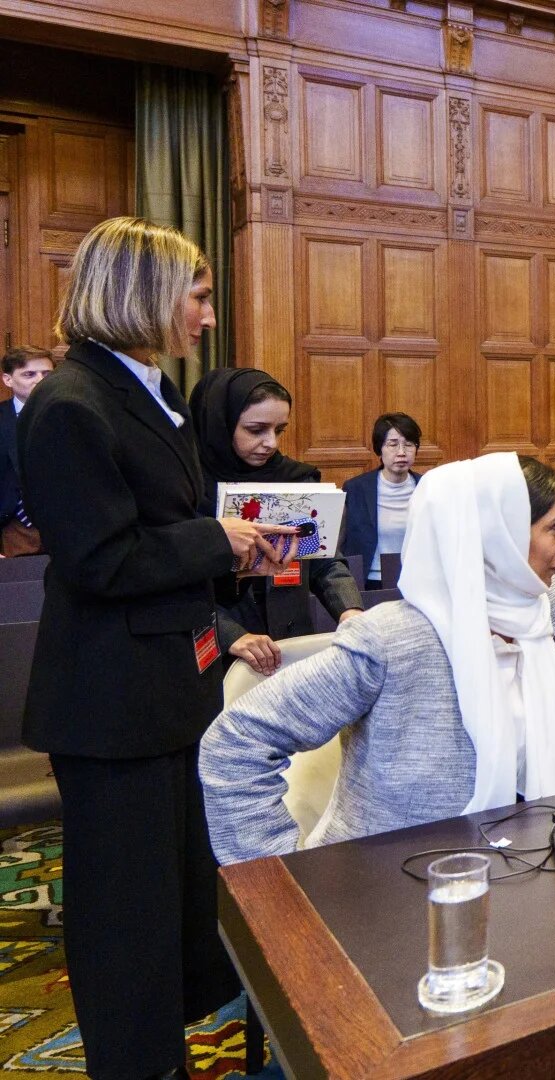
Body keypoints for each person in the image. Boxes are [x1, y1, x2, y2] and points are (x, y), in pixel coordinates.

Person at [19, 216, 296, 1080]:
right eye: (199, 293)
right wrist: (220, 542)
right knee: (125, 926)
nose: (208, 315)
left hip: (164, 692)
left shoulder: (143, 392)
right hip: (110, 705)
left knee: (171, 907)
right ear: (142, 293)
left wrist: (228, 541)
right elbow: (101, 559)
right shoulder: (71, 403)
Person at [199, 453, 555, 863]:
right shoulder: (393, 640)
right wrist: (277, 882)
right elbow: (237, 743)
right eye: (554, 528)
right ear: (497, 538)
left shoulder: (548, 602)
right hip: (398, 889)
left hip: (541, 858)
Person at [189, 368, 363, 675]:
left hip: (290, 644)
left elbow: (324, 559)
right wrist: (231, 634)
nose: (270, 442)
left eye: (279, 430)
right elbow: (176, 585)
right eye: (256, 430)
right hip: (219, 650)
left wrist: (350, 609)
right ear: (220, 424)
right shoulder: (187, 488)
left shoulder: (296, 479)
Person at [340, 412, 422, 586]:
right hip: (369, 582)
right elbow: (340, 542)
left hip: (417, 580)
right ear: (380, 449)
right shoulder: (356, 489)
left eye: (408, 445)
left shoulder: (427, 487)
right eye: (393, 444)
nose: (401, 452)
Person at [0, 345, 54, 556]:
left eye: (47, 374)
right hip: (12, 527)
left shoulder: (70, 415)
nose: (40, 380)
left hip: (62, 526)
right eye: (29, 374)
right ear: (8, 379)